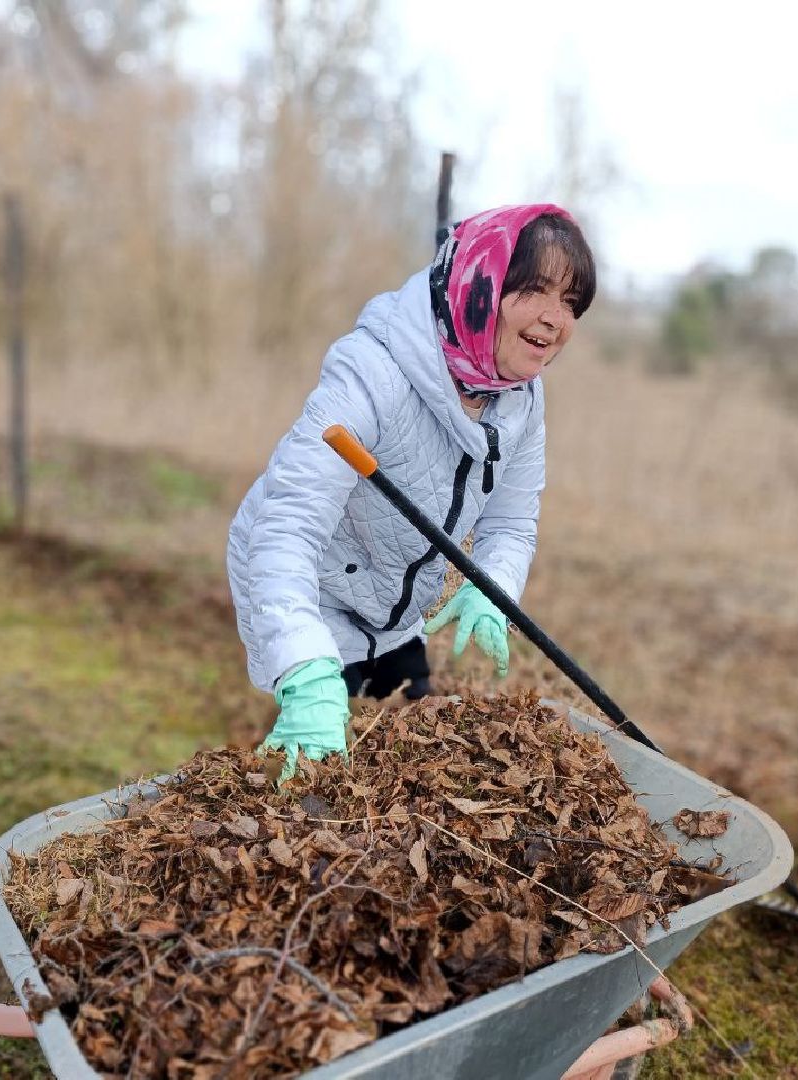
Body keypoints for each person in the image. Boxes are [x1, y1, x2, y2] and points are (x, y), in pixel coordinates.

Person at [226, 204, 596, 780]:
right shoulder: (370, 374)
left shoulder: (523, 398)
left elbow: (512, 522)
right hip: (307, 590)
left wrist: (493, 587)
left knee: (404, 760)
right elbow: (286, 530)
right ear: (481, 284)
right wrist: (303, 665)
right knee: (318, 777)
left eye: (571, 302)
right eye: (535, 291)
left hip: (396, 610)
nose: (554, 319)